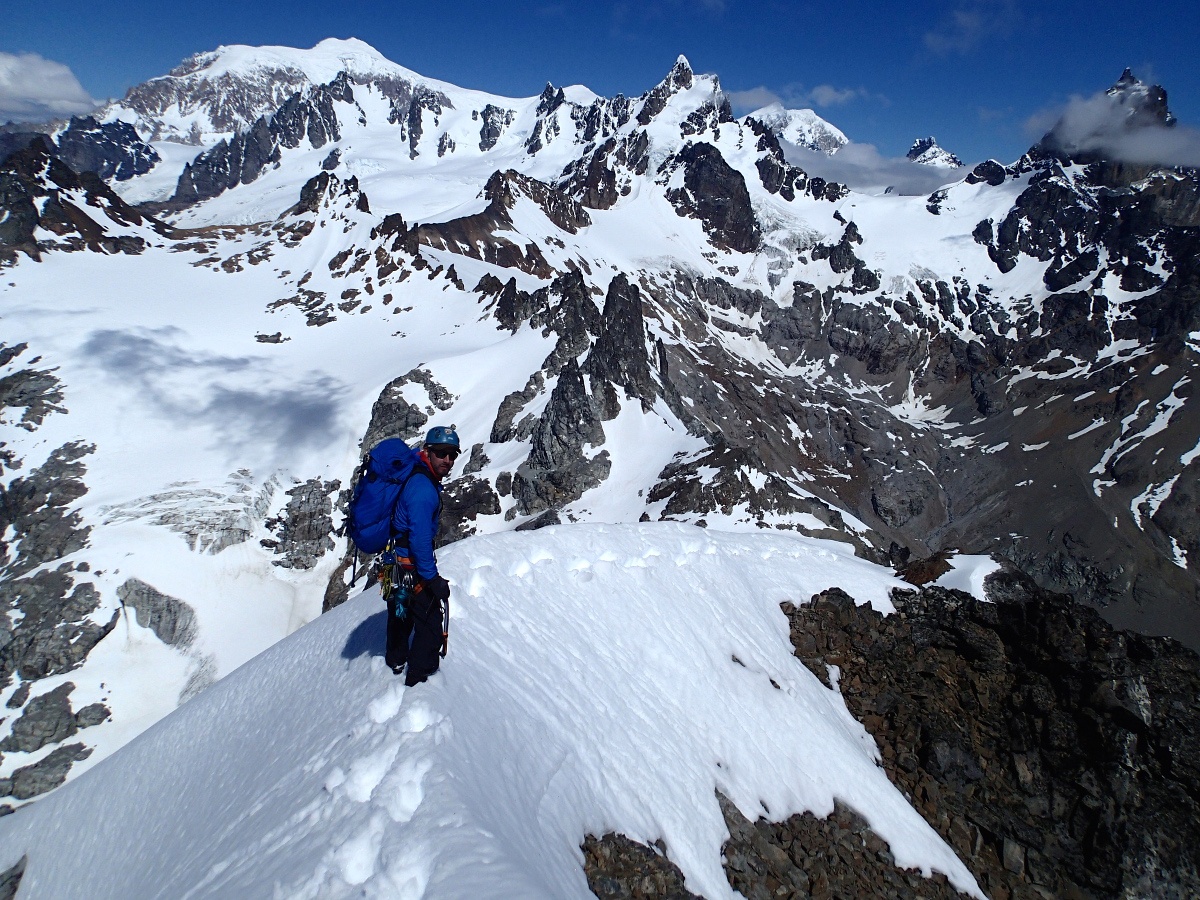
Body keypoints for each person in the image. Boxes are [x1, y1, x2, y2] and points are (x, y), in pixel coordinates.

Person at [385, 425, 459, 685]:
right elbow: (419, 540)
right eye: (442, 453)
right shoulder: (423, 490)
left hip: (393, 562)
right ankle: (420, 679)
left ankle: (395, 660)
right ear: (428, 451)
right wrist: (432, 579)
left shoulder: (414, 473)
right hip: (411, 566)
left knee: (400, 613)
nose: (447, 460)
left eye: (452, 455)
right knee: (430, 627)